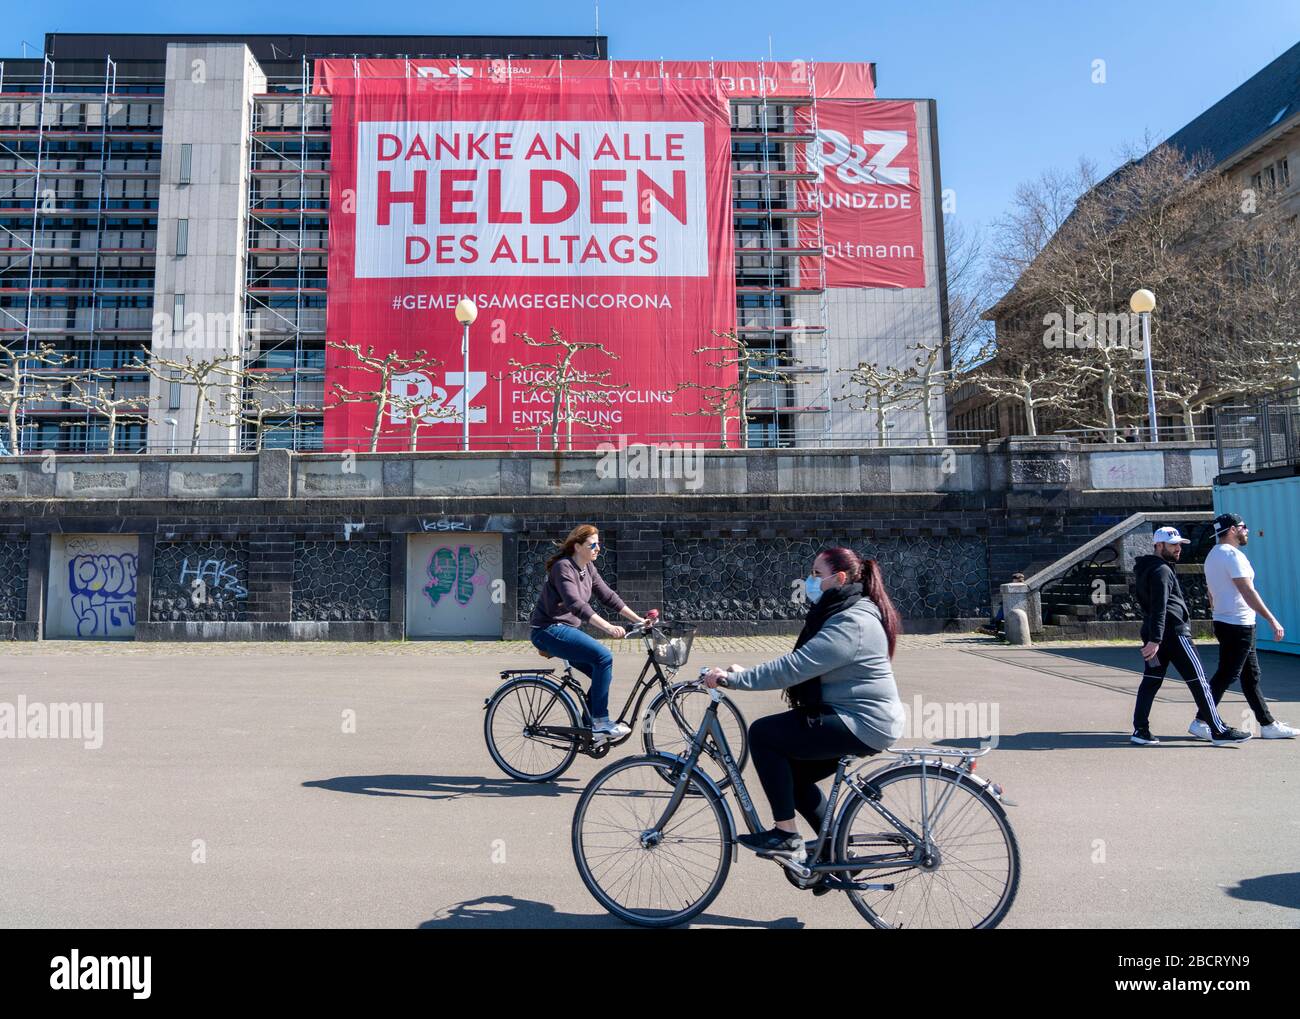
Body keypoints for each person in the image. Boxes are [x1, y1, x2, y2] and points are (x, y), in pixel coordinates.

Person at [702, 548, 906, 859]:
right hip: (856, 716)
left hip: (862, 722)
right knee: (792, 776)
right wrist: (746, 674)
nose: (809, 581)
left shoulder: (851, 621)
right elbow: (801, 665)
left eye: (816, 574)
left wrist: (735, 680)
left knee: (763, 734)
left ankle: (786, 834)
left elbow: (795, 668)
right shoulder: (846, 610)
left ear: (838, 578)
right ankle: (836, 853)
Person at [1131, 526, 1250, 746]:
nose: (1178, 549)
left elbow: (1151, 608)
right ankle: (1218, 731)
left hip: (1155, 633)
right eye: (1173, 545)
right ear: (1159, 545)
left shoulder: (1146, 568)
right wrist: (1155, 640)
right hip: (1174, 635)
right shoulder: (1162, 571)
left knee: (1151, 681)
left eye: (1179, 544)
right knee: (1200, 681)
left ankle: (1140, 730)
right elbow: (1159, 607)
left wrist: (1153, 638)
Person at [529, 524, 646, 739]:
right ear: (577, 546)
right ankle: (600, 721)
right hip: (548, 630)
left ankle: (586, 728)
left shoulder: (588, 568)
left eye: (598, 544)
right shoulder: (563, 567)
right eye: (592, 544)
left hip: (565, 630)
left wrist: (640, 620)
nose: (598, 548)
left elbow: (609, 596)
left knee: (600, 672)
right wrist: (608, 627)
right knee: (603, 657)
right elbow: (576, 605)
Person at [1194, 512, 1297, 740]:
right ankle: (1201, 720)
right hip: (1238, 624)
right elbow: (1248, 591)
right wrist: (1272, 619)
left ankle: (1268, 725)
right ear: (1232, 530)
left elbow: (1211, 593)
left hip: (1228, 621)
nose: (1247, 530)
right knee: (1228, 674)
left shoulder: (1212, 555)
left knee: (1250, 676)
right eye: (1243, 526)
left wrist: (1218, 610)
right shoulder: (1232, 555)